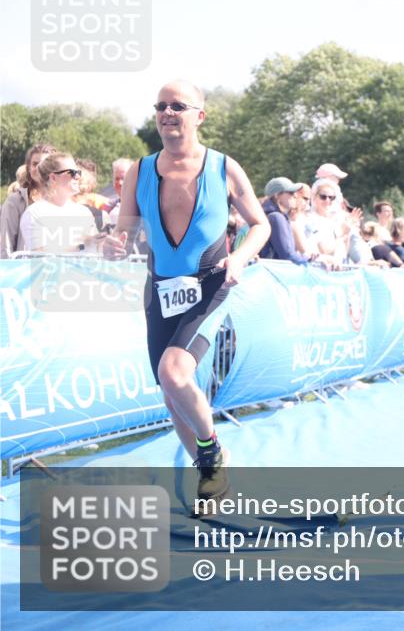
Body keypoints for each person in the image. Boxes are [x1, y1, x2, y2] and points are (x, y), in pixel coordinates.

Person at [104, 80, 271, 506]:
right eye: (160, 105)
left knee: (176, 372)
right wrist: (115, 242)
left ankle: (212, 453)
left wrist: (240, 259)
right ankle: (208, 469)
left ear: (200, 115)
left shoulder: (223, 167)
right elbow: (124, 227)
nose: (167, 112)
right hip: (160, 288)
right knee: (169, 387)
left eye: (178, 105)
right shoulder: (141, 170)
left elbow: (261, 225)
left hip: (210, 283)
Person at [19, 153, 103, 253]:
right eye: (72, 172)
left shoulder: (84, 212)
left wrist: (108, 244)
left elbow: (98, 253)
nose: (77, 177)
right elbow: (40, 256)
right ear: (53, 178)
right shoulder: (34, 213)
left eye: (78, 172)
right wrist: (82, 244)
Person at [1, 143, 55, 258]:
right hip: (25, 272)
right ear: (29, 168)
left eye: (45, 163)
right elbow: (5, 246)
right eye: (35, 164)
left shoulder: (64, 201)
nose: (40, 167)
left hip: (55, 270)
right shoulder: (15, 201)